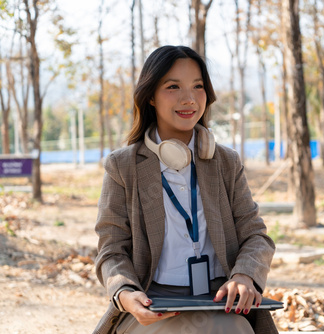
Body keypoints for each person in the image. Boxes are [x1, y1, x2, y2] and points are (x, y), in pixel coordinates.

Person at [93, 45, 277, 334]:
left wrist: (244, 275)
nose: (188, 98)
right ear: (150, 95)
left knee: (233, 329)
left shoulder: (226, 163)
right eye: (173, 86)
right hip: (154, 304)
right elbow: (111, 250)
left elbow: (256, 236)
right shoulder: (122, 166)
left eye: (198, 86)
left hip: (218, 301)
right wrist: (126, 293)